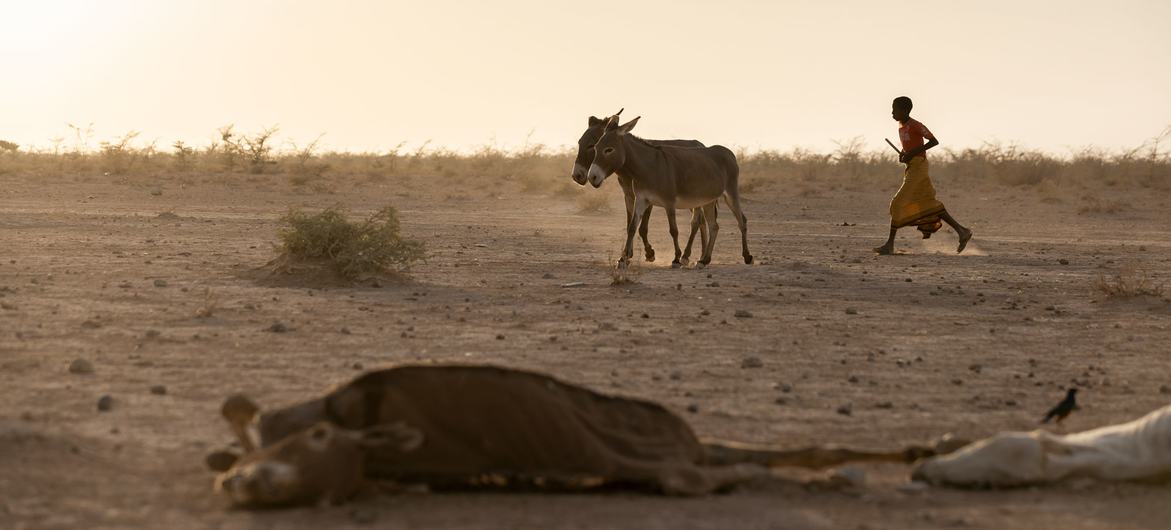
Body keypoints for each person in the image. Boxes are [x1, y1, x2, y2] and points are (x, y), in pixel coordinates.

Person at [874, 96, 972, 255]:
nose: (892, 112)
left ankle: (889, 244)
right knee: (928, 203)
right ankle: (962, 231)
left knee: (897, 203)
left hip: (919, 168)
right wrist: (904, 155)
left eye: (895, 109)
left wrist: (911, 153)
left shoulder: (915, 125)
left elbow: (934, 141)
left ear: (905, 111)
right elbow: (910, 148)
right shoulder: (901, 127)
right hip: (912, 168)